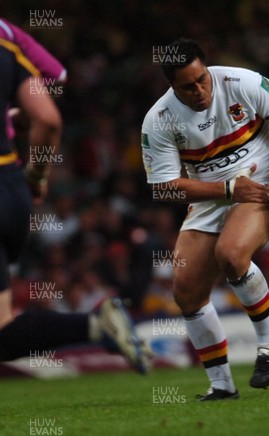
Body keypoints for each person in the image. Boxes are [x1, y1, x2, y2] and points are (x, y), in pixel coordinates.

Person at [141, 38, 269, 400]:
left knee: (233, 254)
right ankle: (222, 386)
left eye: (202, 78)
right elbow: (165, 189)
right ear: (171, 85)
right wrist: (227, 189)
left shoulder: (242, 82)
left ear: (208, 68)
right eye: (188, 86)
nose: (200, 89)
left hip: (263, 181)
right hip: (215, 192)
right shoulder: (158, 120)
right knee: (186, 291)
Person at [0, 28, 148, 373]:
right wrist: (36, 177)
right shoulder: (7, 37)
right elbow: (52, 102)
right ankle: (96, 325)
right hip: (11, 187)